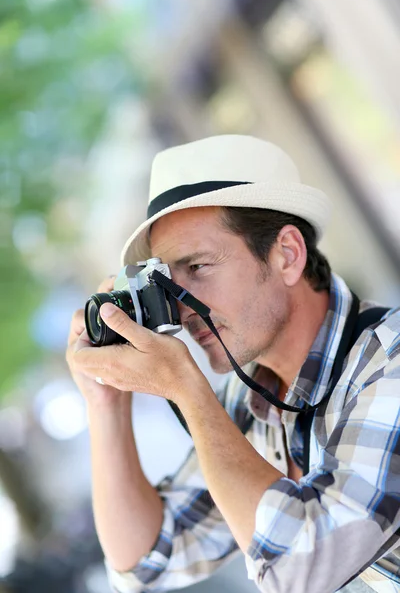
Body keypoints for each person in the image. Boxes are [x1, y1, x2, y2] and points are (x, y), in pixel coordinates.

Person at [66, 135, 400, 593]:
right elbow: (148, 561)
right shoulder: (250, 398)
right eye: (167, 282)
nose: (181, 307)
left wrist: (187, 389)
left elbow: (302, 570)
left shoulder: (390, 360)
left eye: (198, 268)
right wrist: (105, 402)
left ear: (287, 255)